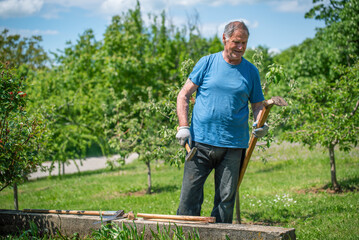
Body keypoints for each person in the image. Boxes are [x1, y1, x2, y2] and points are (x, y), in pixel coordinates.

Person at [175, 21, 269, 223]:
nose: (241, 47)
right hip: (199, 144)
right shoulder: (207, 63)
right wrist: (184, 127)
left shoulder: (251, 71)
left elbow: (258, 104)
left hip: (233, 146)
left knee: (225, 201)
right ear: (225, 39)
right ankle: (184, 233)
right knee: (189, 197)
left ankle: (220, 235)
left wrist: (260, 123)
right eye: (236, 42)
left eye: (244, 43)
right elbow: (183, 95)